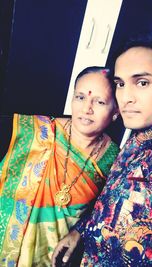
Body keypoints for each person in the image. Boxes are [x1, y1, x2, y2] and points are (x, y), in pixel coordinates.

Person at [52, 32, 152, 267]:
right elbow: (110, 204)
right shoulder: (134, 142)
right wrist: (79, 230)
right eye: (120, 84)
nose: (126, 97)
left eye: (142, 82)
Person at [0, 66, 120, 266]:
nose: (86, 109)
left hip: (57, 256)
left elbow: (105, 211)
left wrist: (79, 231)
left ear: (116, 111)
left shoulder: (116, 159)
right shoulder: (36, 131)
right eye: (80, 97)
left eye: (99, 102)